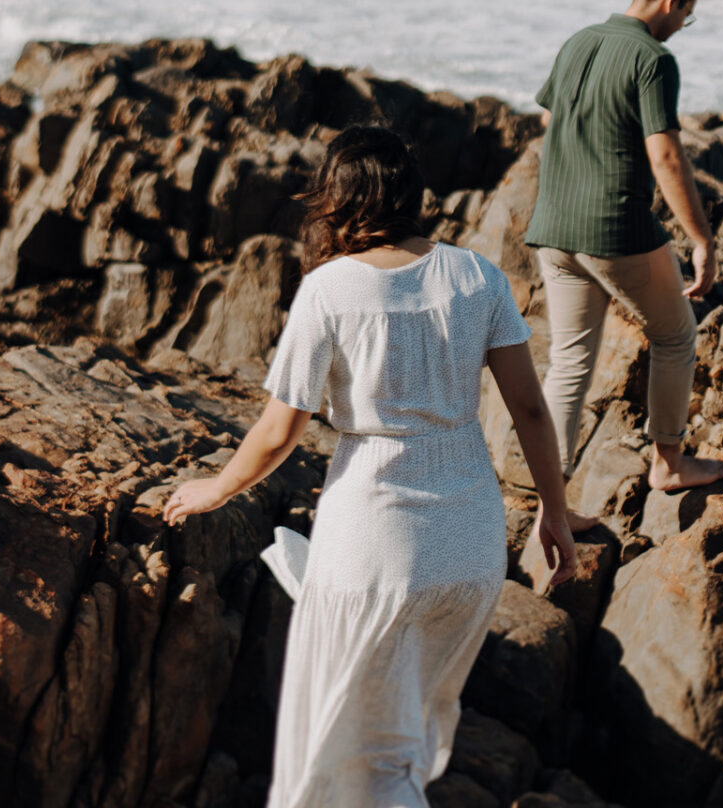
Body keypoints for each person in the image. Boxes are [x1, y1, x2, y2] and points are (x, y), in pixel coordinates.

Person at [163, 123, 577, 808]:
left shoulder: (330, 291)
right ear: (411, 195)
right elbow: (531, 411)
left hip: (375, 543)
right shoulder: (477, 276)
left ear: (337, 199)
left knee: (331, 755)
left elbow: (276, 433)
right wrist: (554, 514)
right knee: (398, 754)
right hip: (469, 550)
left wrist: (216, 487)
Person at [525, 0, 723, 522]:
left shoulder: (578, 41)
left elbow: (547, 117)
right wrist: (702, 239)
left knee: (569, 363)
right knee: (675, 335)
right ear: (672, 0)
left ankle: (551, 509)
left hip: (553, 226)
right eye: (685, 16)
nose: (681, 27)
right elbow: (665, 156)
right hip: (614, 227)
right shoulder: (652, 59)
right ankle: (668, 462)